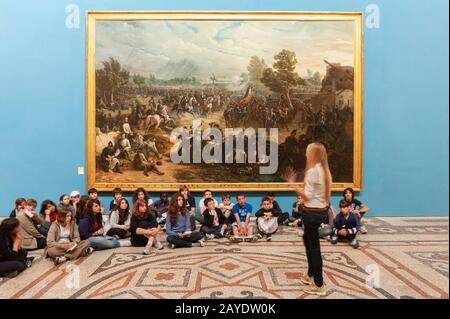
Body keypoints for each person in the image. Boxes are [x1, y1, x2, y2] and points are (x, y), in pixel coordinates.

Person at [288, 142, 332, 296]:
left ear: (313, 154)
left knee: (314, 248)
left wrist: (292, 185)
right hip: (319, 212)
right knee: (308, 242)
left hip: (311, 213)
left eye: (308, 152)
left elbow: (307, 196)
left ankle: (319, 284)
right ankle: (310, 275)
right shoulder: (325, 171)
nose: (306, 154)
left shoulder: (313, 171)